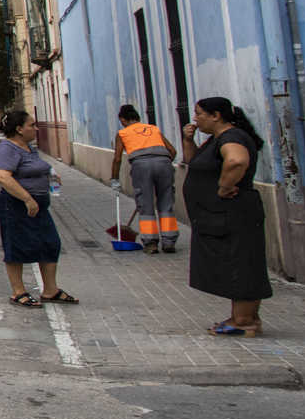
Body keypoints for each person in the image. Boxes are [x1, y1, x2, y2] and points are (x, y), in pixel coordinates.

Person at [181, 96, 272, 336]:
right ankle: (245, 317)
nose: (195, 118)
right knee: (237, 261)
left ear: (216, 116)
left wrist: (223, 186)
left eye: (199, 113)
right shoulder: (216, 139)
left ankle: (244, 321)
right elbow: (193, 162)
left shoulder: (231, 137)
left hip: (232, 214)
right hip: (222, 216)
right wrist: (188, 141)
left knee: (239, 263)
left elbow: (237, 160)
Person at [0, 109, 76, 308]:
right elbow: (3, 177)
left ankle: (50, 290)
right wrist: (28, 199)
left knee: (50, 243)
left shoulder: (29, 148)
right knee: (17, 247)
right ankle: (18, 292)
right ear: (19, 129)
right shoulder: (7, 149)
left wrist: (51, 176)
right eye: (32, 125)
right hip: (15, 205)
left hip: (39, 206)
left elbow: (34, 169)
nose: (36, 128)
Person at [108, 104, 179, 253]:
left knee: (145, 205)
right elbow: (172, 150)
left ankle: (151, 243)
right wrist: (164, 165)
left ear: (122, 119)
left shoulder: (122, 133)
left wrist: (114, 179)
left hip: (141, 166)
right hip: (164, 162)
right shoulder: (153, 129)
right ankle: (169, 242)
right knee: (166, 203)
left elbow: (117, 159)